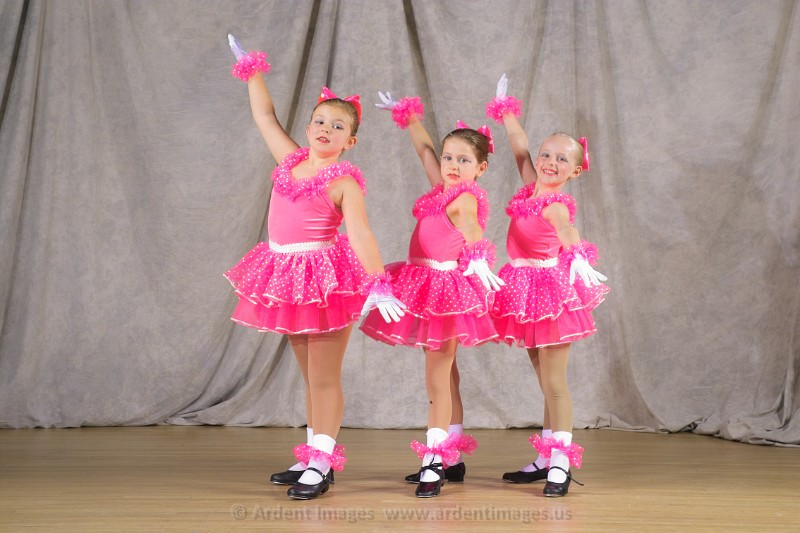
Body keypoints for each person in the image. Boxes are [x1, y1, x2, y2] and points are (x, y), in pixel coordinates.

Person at [223, 35, 405, 501]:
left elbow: (361, 233)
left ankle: (322, 463)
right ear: (307, 128)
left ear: (351, 141)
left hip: (326, 281)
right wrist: (252, 71)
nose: (326, 129)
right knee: (309, 374)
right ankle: (312, 453)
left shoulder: (344, 181)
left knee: (324, 376)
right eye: (320, 121)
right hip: (287, 276)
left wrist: (377, 282)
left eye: (338, 126)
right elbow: (265, 116)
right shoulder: (289, 160)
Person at [360, 92, 504, 498]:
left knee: (437, 380)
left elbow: (473, 228)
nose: (453, 165)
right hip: (422, 282)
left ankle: (434, 460)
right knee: (448, 376)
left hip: (443, 292)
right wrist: (407, 117)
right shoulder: (443, 188)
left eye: (463, 160)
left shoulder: (464, 199)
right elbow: (425, 150)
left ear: (481, 168)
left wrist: (478, 256)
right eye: (449, 157)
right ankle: (452, 457)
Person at [486, 75, 609, 497]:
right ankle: (544, 456)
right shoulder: (530, 187)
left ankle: (561, 462)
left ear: (575, 171)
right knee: (542, 377)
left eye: (562, 159)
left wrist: (577, 254)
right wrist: (506, 110)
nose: (550, 162)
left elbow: (567, 230)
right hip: (522, 287)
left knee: (555, 383)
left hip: (550, 292)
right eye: (546, 154)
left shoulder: (555, 203)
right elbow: (519, 144)